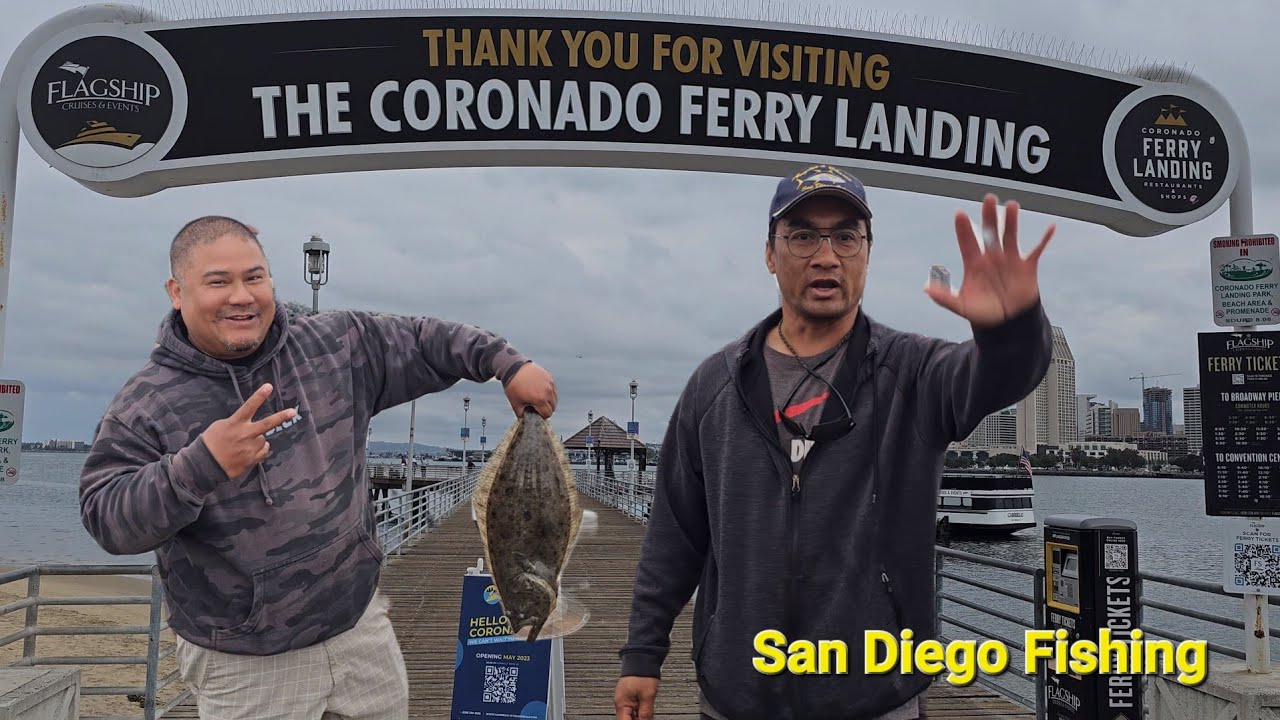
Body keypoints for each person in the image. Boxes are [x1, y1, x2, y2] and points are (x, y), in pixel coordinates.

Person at [613, 164, 1055, 720]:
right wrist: (642, 654)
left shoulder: (914, 374)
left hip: (873, 696)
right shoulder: (714, 386)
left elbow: (1003, 374)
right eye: (802, 235)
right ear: (771, 254)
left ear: (867, 253)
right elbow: (674, 536)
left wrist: (1011, 327)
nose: (827, 255)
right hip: (738, 697)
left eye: (846, 236)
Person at [79, 216, 557, 719]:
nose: (241, 295)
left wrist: (507, 363)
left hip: (359, 630)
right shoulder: (145, 403)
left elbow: (424, 339)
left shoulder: (336, 345)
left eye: (254, 277)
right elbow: (106, 516)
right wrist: (199, 467)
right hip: (247, 665)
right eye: (218, 281)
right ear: (177, 291)